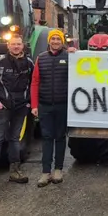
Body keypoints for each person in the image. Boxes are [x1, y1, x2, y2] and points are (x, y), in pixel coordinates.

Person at [0, 34, 34, 190]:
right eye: (13, 44)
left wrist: (29, 101)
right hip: (3, 106)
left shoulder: (29, 63)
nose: (16, 47)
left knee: (14, 138)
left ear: (23, 46)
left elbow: (34, 83)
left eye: (18, 44)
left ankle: (15, 171)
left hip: (21, 106)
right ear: (8, 46)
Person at [31, 29, 76, 187]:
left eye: (58, 39)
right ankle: (45, 172)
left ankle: (58, 170)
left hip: (62, 104)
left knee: (60, 137)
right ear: (49, 41)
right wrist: (35, 105)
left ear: (62, 41)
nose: (55, 41)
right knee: (47, 137)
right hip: (45, 105)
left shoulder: (70, 57)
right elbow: (35, 82)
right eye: (53, 39)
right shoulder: (41, 58)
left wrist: (76, 52)